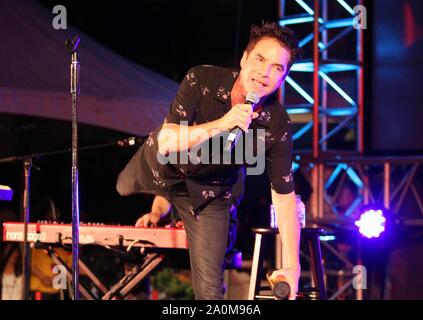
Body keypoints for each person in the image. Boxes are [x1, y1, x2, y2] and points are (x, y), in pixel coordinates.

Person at [117, 21, 302, 300]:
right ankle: (160, 209)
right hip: (161, 167)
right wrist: (223, 123)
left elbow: (284, 197)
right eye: (259, 59)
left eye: (277, 68)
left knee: (210, 291)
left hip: (211, 193)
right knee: (122, 186)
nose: (264, 72)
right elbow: (168, 141)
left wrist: (293, 266)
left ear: (283, 78)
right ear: (244, 58)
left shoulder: (277, 124)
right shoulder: (201, 79)